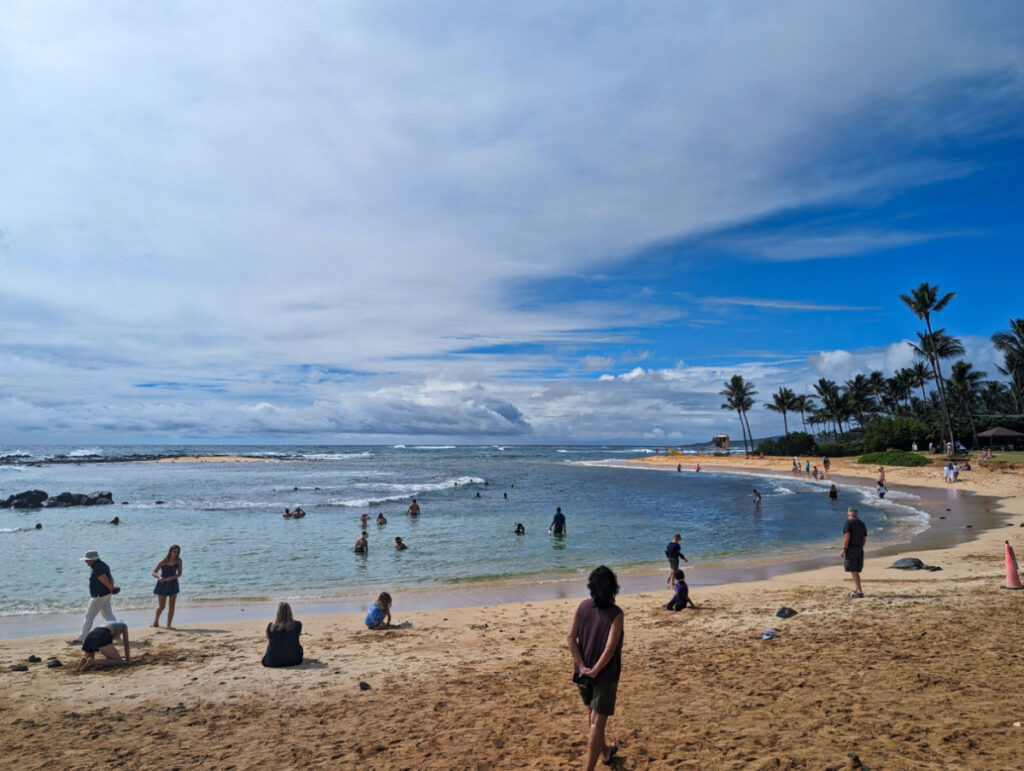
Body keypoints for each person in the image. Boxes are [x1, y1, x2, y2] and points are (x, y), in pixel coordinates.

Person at [567, 566, 624, 770]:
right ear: (613, 588)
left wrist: (583, 667)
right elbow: (609, 649)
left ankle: (606, 752)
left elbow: (570, 638)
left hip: (583, 674)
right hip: (605, 675)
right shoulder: (616, 614)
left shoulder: (582, 606)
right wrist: (594, 670)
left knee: (592, 716)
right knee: (596, 722)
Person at [68, 550, 120, 645]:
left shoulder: (97, 569)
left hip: (99, 596)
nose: (86, 562)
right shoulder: (104, 565)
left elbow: (104, 579)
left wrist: (111, 588)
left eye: (87, 560)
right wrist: (111, 590)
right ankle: (116, 634)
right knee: (107, 614)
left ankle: (80, 639)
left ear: (93, 560)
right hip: (106, 594)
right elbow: (111, 578)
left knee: (89, 616)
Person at [262, 602, 303, 667]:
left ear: (278, 613)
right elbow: (296, 637)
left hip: (272, 661)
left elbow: (269, 639)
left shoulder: (271, 627)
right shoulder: (297, 625)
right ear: (290, 612)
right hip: (294, 660)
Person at [151, 544, 182, 629]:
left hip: (173, 583)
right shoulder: (164, 560)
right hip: (162, 583)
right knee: (162, 606)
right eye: (174, 551)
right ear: (170, 551)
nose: (176, 553)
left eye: (177, 552)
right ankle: (156, 621)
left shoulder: (179, 561)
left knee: (172, 605)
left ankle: (169, 625)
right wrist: (159, 577)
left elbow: (179, 574)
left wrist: (171, 578)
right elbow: (153, 572)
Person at [841, 507, 868, 598]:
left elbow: (847, 536)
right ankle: (857, 589)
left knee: (854, 570)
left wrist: (844, 548)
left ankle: (859, 591)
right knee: (855, 570)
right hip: (859, 549)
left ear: (849, 514)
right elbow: (864, 538)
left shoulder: (848, 523)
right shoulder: (861, 523)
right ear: (856, 514)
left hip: (851, 548)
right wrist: (861, 547)